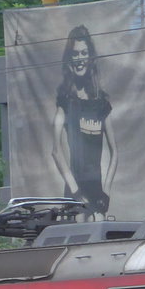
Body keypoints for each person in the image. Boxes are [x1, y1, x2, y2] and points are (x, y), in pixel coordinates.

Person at [52, 25, 117, 218]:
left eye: (84, 53)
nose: (80, 58)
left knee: (100, 239)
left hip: (97, 190)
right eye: (75, 54)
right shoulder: (65, 101)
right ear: (70, 58)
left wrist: (106, 190)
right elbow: (56, 151)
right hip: (75, 190)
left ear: (90, 57)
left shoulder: (101, 104)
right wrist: (75, 192)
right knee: (79, 239)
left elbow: (115, 152)